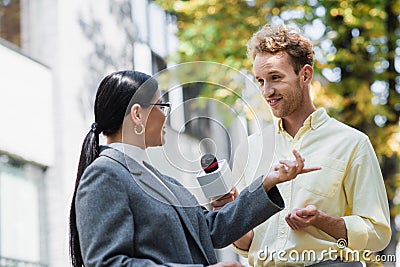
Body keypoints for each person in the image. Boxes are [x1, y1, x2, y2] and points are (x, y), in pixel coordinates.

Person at [68, 70, 320, 267]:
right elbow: (108, 263)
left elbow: (212, 229)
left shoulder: (163, 180)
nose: (166, 116)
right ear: (137, 114)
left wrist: (267, 182)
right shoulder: (105, 175)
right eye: (161, 106)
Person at [211, 24, 391, 266]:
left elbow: (378, 234)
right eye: (261, 81)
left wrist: (322, 220)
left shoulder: (352, 143)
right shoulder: (252, 148)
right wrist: (232, 213)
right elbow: (248, 243)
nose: (267, 91)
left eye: (275, 78)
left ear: (305, 75)